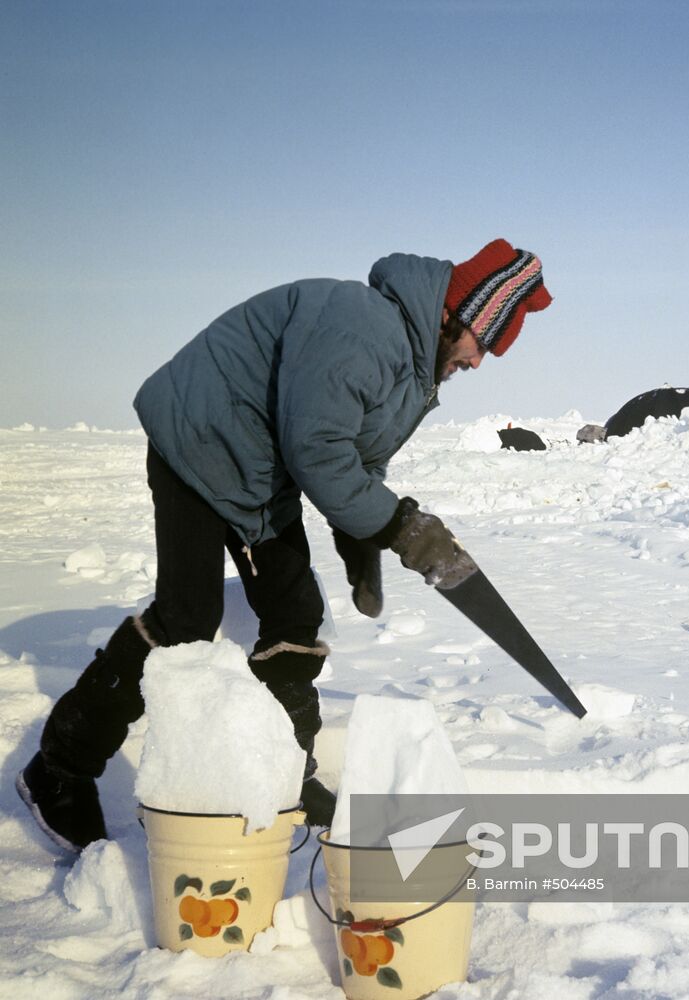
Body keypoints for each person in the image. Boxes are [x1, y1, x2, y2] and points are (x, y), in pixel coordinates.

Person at [16, 239, 552, 853]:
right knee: (186, 619)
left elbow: (356, 458)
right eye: (483, 344)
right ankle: (59, 767)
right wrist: (403, 529)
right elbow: (318, 450)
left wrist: (363, 540)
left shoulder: (412, 369)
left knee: (294, 615)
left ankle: (284, 773)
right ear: (458, 316)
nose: (479, 363)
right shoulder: (364, 326)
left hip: (259, 467)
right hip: (200, 438)